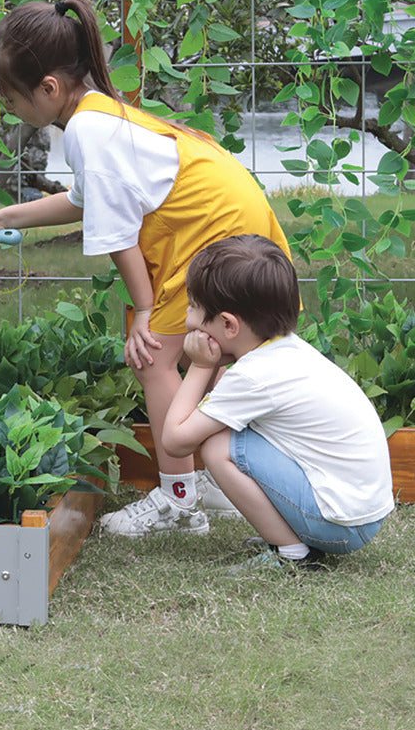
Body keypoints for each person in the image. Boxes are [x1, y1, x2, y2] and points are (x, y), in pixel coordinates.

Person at [0, 0, 292, 537]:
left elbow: (117, 233)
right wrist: (7, 215)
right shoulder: (93, 112)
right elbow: (87, 199)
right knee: (202, 353)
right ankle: (204, 480)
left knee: (152, 359)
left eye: (11, 99)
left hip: (212, 229)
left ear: (47, 88)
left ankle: (177, 501)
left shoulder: (88, 132)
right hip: (229, 216)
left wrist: (145, 309)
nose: (10, 111)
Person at [162, 234, 394, 570]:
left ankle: (293, 554)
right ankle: (293, 533)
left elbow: (175, 441)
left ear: (228, 325)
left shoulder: (255, 375)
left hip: (341, 524)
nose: (187, 319)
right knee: (227, 438)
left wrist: (200, 365)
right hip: (356, 514)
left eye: (194, 307)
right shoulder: (283, 352)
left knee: (217, 447)